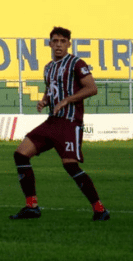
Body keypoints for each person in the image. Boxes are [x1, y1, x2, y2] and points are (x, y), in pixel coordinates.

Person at [11, 26, 109, 221]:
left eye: (63, 41)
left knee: (70, 166)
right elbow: (52, 89)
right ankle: (32, 206)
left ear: (68, 44)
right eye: (55, 41)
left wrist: (67, 100)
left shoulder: (76, 63)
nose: (58, 45)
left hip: (69, 123)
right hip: (52, 122)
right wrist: (45, 100)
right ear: (50, 43)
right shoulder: (48, 67)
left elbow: (92, 88)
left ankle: (100, 209)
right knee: (20, 154)